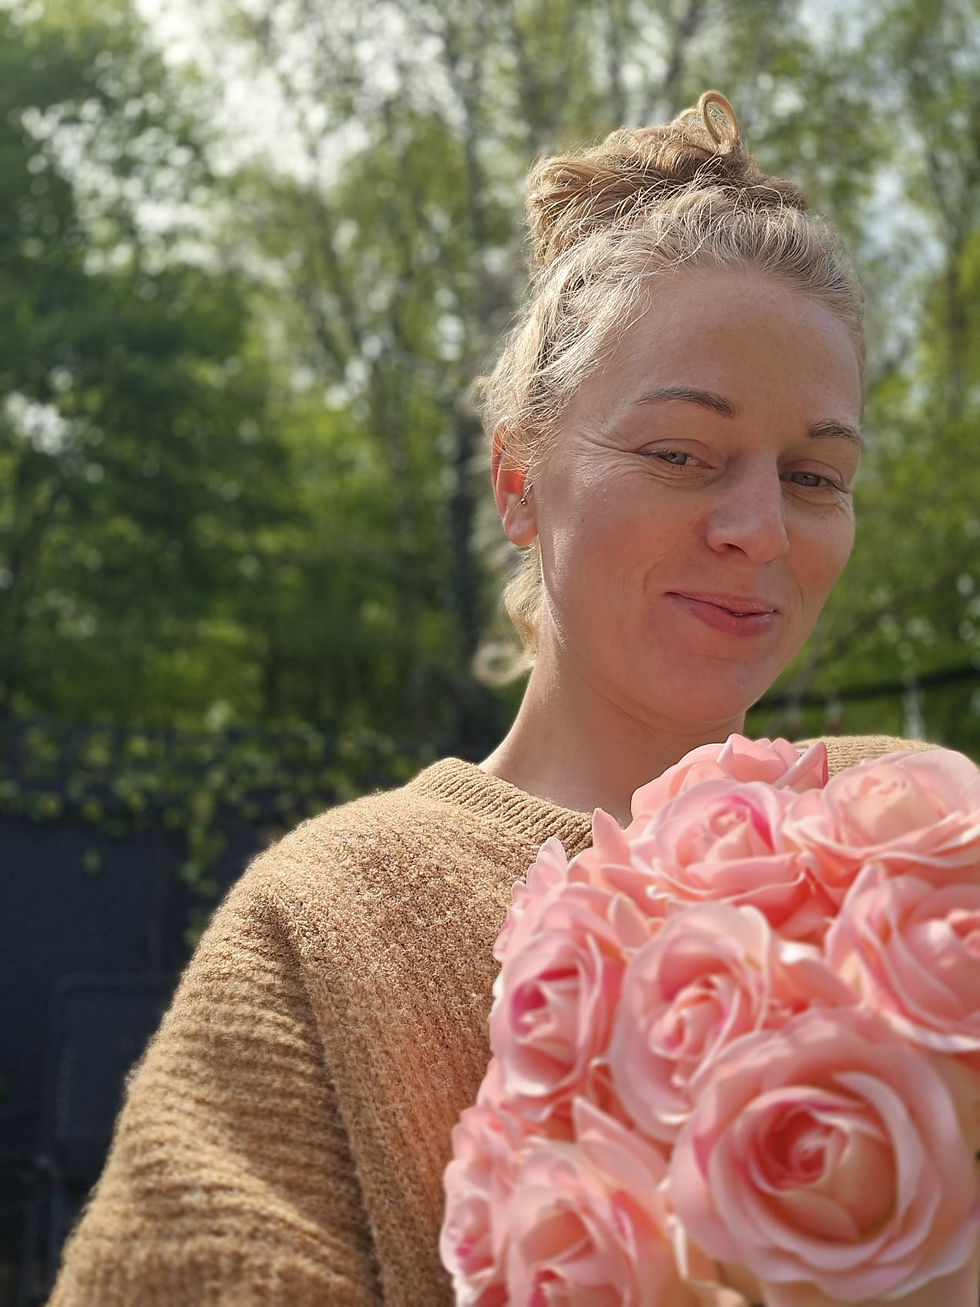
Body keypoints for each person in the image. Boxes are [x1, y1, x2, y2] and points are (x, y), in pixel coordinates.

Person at [47, 91, 932, 1306]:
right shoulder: (331, 918)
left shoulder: (921, 838)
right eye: (678, 454)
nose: (759, 528)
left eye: (814, 475)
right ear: (518, 481)